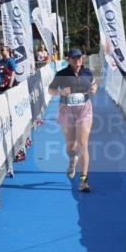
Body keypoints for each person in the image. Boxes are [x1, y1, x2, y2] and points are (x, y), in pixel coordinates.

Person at [48, 48, 97, 192]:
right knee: (71, 146)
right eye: (75, 58)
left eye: (80, 57)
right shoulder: (61, 74)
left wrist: (94, 89)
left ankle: (83, 181)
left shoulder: (87, 72)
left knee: (82, 144)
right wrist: (59, 92)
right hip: (66, 110)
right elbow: (50, 90)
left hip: (84, 110)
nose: (78, 60)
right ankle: (71, 161)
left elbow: (93, 84)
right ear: (68, 59)